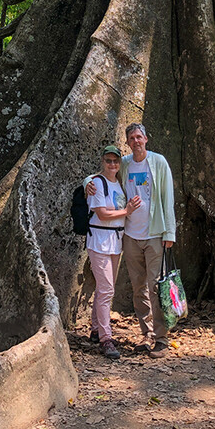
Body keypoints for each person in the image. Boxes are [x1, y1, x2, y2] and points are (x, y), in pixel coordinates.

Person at [87, 123, 176, 354]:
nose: (136, 141)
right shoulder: (124, 163)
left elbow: (168, 197)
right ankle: (146, 334)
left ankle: (161, 338)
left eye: (139, 137)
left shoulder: (158, 162)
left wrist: (170, 233)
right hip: (130, 237)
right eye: (132, 138)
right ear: (128, 143)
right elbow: (101, 174)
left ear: (146, 139)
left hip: (155, 234)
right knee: (139, 288)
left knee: (156, 286)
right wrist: (87, 183)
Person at [86, 145, 139, 360]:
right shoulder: (97, 183)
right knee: (107, 290)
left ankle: (96, 329)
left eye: (115, 161)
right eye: (108, 161)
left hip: (115, 242)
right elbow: (102, 214)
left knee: (105, 288)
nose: (112, 165)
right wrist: (127, 211)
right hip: (99, 240)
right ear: (102, 162)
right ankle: (106, 339)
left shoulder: (119, 183)